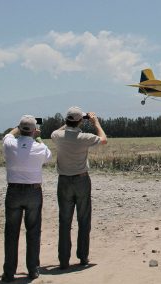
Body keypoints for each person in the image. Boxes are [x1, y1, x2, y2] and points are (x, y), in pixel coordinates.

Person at [51, 106, 107, 269]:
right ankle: (83, 257)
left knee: (64, 221)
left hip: (64, 181)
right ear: (80, 121)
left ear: (67, 120)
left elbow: (56, 131)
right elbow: (103, 139)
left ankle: (63, 260)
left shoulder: (58, 136)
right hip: (82, 180)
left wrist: (67, 124)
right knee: (83, 219)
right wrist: (95, 122)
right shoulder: (84, 137)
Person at [1, 115, 52, 282]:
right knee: (33, 231)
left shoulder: (9, 144)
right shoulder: (39, 147)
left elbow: (9, 134)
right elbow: (48, 156)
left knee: (11, 233)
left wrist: (19, 127)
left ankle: (9, 272)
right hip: (33, 191)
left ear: (20, 129)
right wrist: (38, 136)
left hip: (14, 190)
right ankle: (33, 269)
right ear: (34, 130)